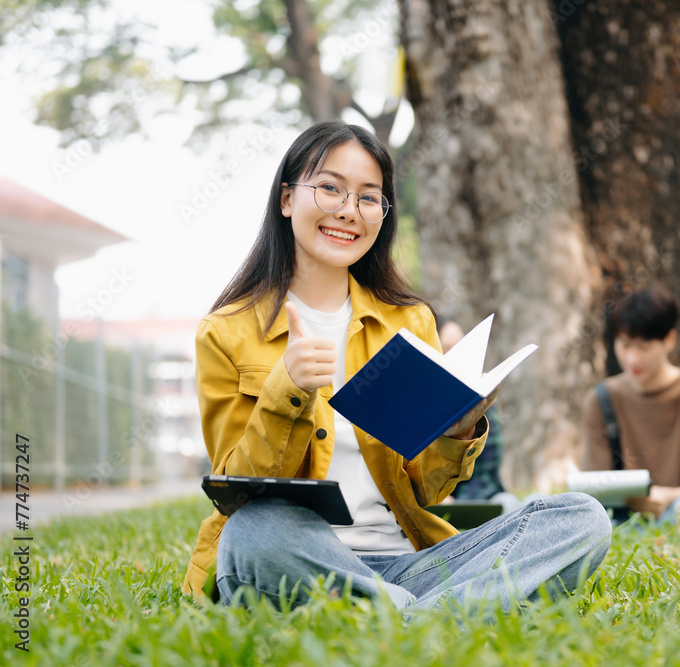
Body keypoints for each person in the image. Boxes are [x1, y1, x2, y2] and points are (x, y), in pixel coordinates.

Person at [182, 120, 611, 611]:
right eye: (330, 188)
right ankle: (444, 615)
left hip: (408, 565)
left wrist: (457, 432)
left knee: (581, 516)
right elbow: (236, 491)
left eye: (369, 197)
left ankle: (397, 614)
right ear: (286, 199)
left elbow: (425, 489)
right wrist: (288, 390)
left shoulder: (409, 321)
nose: (349, 211)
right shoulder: (226, 331)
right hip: (297, 556)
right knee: (254, 530)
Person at [581, 287, 680, 522]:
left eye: (643, 347)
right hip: (619, 519)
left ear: (669, 340)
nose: (632, 359)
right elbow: (590, 489)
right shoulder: (600, 400)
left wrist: (667, 497)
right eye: (625, 345)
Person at [437, 319, 510, 506]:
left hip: (481, 496)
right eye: (448, 349)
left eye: (461, 347)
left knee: (510, 503)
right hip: (432, 500)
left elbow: (486, 470)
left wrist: (459, 504)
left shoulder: (481, 399)